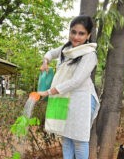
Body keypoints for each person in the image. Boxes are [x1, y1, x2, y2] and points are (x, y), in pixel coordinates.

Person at [38, 15, 100, 159]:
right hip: (65, 97)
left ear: (88, 35)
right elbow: (50, 53)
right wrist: (45, 61)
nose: (76, 37)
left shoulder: (89, 55)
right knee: (66, 137)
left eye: (81, 33)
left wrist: (48, 92)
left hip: (82, 99)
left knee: (79, 139)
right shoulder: (66, 48)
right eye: (73, 32)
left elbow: (76, 81)